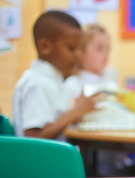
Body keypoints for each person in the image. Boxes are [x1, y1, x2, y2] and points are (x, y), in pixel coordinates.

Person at [12, 11, 99, 140]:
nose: (79, 55)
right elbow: (33, 138)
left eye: (80, 48)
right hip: (41, 160)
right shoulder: (39, 83)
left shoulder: (52, 81)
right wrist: (74, 112)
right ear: (45, 47)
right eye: (71, 48)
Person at [65, 24, 118, 98]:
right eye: (100, 48)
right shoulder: (73, 85)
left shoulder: (111, 85)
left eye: (108, 49)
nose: (106, 54)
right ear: (81, 52)